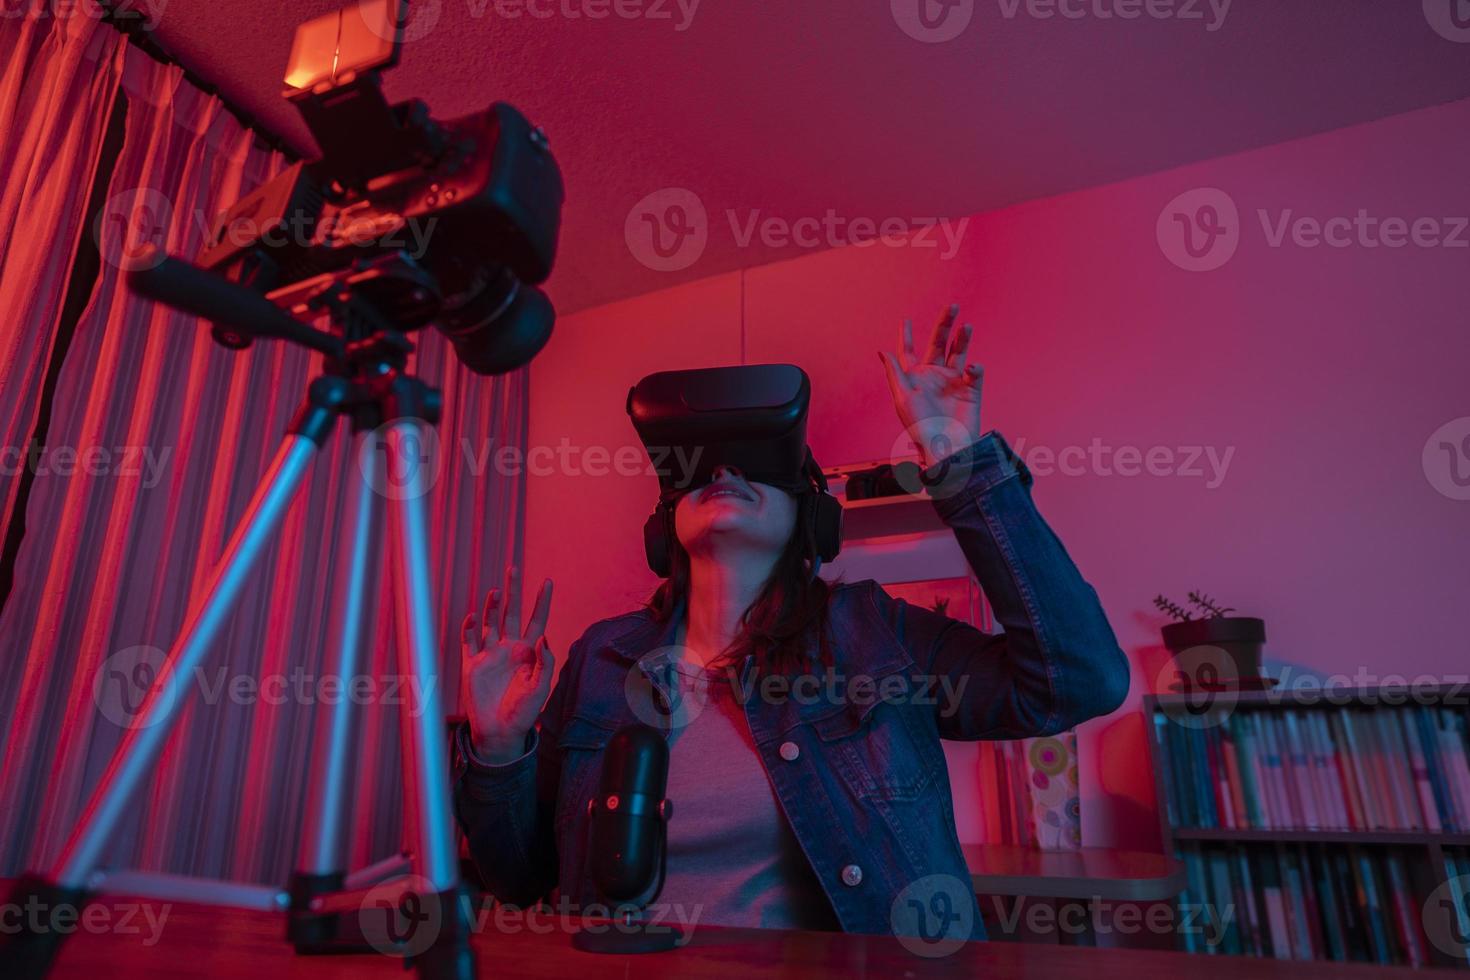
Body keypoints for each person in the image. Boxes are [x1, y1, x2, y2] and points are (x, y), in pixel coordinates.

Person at [453, 304, 1130, 937]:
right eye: (701, 471)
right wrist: (498, 746)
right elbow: (518, 880)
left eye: (755, 467)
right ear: (664, 527)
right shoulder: (601, 660)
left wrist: (959, 462)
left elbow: (1079, 679)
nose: (723, 471)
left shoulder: (874, 635)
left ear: (811, 518)